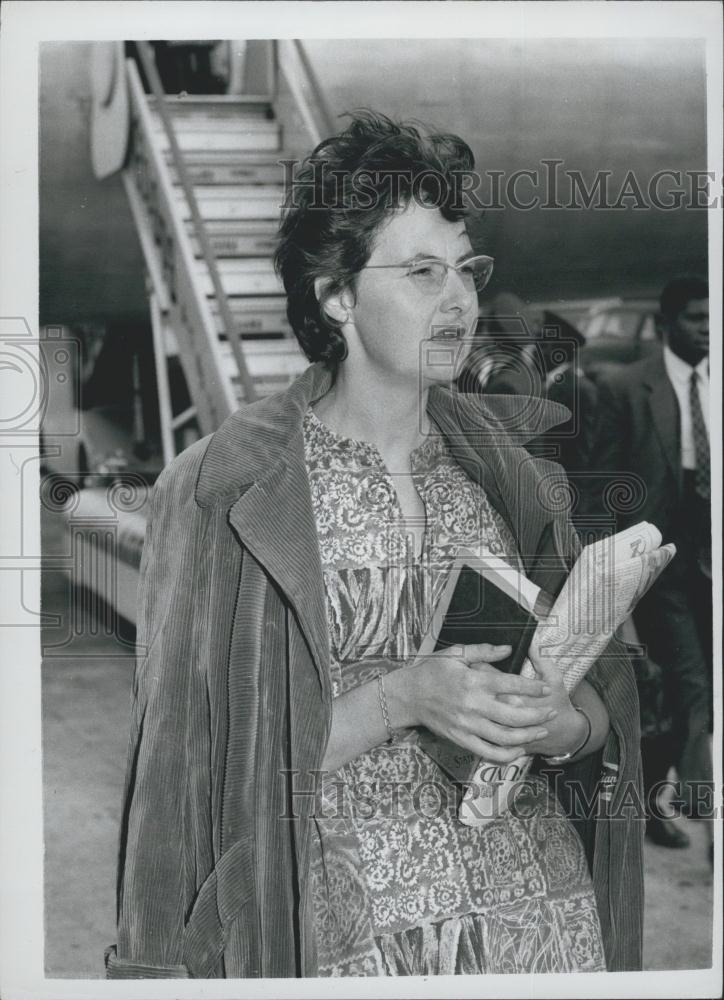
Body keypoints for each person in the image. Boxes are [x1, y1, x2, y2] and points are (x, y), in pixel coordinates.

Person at [106, 112, 643, 979]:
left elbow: (603, 706)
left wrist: (560, 727)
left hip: (541, 929)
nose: (460, 301)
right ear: (337, 295)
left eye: (466, 269)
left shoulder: (508, 473)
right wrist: (400, 700)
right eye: (423, 273)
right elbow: (190, 768)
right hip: (351, 943)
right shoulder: (227, 488)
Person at [585, 276, 711, 849]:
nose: (709, 328)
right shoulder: (626, 388)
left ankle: (655, 796)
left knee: (696, 693)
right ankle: (691, 802)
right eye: (696, 318)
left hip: (715, 555)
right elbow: (603, 485)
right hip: (663, 565)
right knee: (688, 685)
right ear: (666, 325)